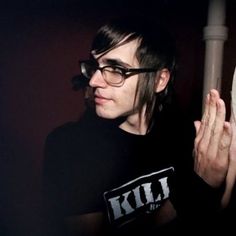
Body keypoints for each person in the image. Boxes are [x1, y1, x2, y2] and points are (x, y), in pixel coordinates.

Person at [42, 16, 233, 236]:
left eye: (116, 69)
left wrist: (224, 176)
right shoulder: (68, 146)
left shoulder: (184, 133)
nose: (94, 81)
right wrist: (198, 187)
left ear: (159, 80)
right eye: (96, 66)